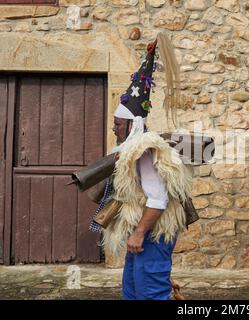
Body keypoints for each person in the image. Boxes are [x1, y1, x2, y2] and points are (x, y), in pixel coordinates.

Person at [90, 37, 192, 300]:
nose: (114, 128)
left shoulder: (143, 151)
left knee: (150, 294)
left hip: (153, 235)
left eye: (117, 124)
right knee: (134, 293)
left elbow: (158, 199)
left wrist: (138, 233)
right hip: (145, 236)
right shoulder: (130, 150)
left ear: (131, 124)